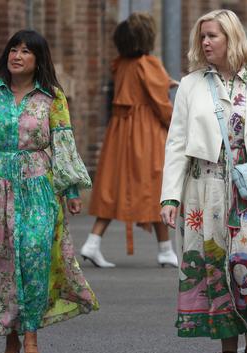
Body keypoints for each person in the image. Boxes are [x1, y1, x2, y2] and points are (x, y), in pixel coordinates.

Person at [0, 30, 98, 353]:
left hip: (38, 188)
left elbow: (63, 143)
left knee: (35, 259)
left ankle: (31, 341)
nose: (17, 56)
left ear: (38, 59)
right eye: (13, 49)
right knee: (4, 266)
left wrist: (70, 190)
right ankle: (10, 345)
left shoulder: (52, 97)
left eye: (26, 51)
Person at [159, 9, 247, 353]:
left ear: (231, 37)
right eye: (203, 37)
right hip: (203, 188)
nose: (205, 42)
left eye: (213, 35)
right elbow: (177, 142)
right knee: (214, 267)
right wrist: (170, 195)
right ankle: (227, 350)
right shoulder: (190, 85)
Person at [81, 12, 178, 268]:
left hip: (119, 132)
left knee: (113, 187)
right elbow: (159, 102)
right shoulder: (150, 63)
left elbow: (136, 84)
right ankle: (165, 249)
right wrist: (176, 124)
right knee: (156, 185)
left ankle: (92, 242)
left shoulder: (120, 64)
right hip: (146, 133)